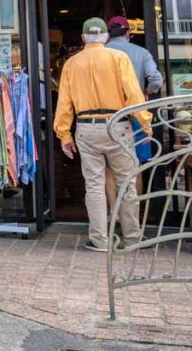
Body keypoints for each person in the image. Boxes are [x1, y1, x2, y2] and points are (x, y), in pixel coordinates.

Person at [53, 17, 151, 252]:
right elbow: (134, 94)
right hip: (118, 125)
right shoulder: (119, 58)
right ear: (106, 37)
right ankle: (132, 237)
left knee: (94, 185)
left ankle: (99, 240)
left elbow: (64, 103)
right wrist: (145, 124)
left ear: (83, 38)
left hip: (86, 127)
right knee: (126, 183)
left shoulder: (71, 64)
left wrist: (64, 134)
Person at [104, 15, 163, 202]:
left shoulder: (101, 53)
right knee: (134, 166)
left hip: (108, 116)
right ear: (128, 32)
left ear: (108, 34)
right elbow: (156, 80)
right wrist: (146, 92)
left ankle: (114, 214)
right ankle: (135, 215)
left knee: (110, 168)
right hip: (135, 113)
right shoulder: (141, 52)